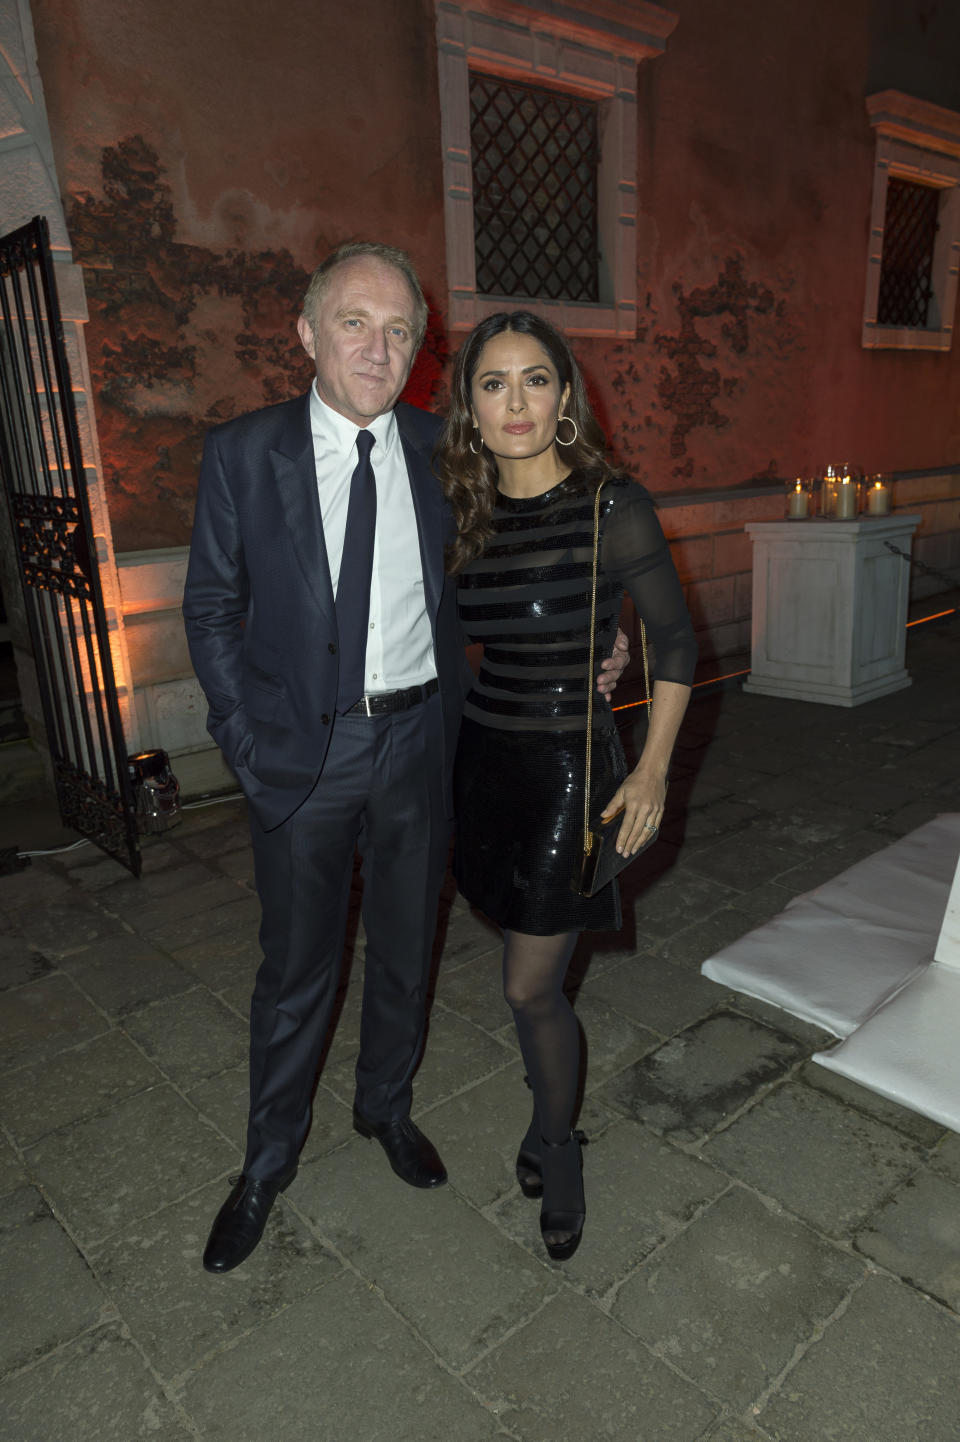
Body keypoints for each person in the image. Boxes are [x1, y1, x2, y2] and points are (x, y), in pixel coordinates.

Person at [183, 244, 628, 1274]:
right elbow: (210, 607)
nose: (378, 348)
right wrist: (243, 739)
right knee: (295, 970)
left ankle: (383, 1107)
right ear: (306, 333)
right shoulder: (244, 455)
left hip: (423, 743)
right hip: (302, 753)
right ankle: (265, 1159)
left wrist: (603, 634)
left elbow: (549, 539)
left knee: (402, 949)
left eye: (399, 331)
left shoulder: (446, 450)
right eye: (354, 323)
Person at [434, 310, 697, 1261]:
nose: (516, 402)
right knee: (521, 965)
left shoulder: (608, 505)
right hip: (483, 764)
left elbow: (674, 641)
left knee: (527, 985)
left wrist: (656, 768)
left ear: (564, 396)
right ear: (469, 403)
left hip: (567, 771)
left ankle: (558, 1143)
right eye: (494, 382)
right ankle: (550, 1118)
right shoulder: (459, 507)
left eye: (535, 379)